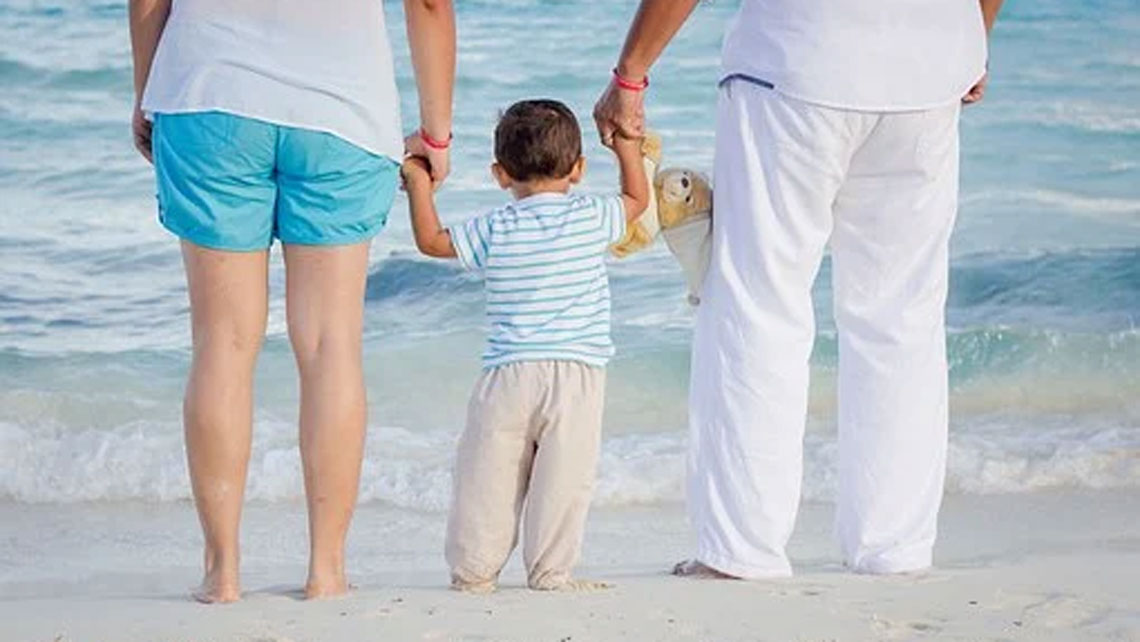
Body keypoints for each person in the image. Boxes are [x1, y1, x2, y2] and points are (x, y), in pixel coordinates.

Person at [595, 0, 1004, 578]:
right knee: (901, 315)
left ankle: (742, 549)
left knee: (759, 304)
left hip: (796, 60)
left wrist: (630, 74)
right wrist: (971, 39)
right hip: (930, 71)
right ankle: (894, 546)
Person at [127, 0, 455, 602]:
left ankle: (222, 572)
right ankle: (326, 570)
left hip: (208, 93)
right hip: (343, 111)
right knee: (331, 344)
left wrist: (147, 88)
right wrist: (436, 131)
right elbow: (430, 5)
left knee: (222, 343)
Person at [401, 100, 649, 592]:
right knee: (565, 478)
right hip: (577, 372)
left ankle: (474, 572)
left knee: (487, 475)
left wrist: (418, 181)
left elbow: (431, 241)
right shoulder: (593, 216)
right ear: (578, 170)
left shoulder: (494, 227)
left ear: (499, 174)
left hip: (508, 373)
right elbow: (637, 200)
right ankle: (551, 572)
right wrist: (627, 147)